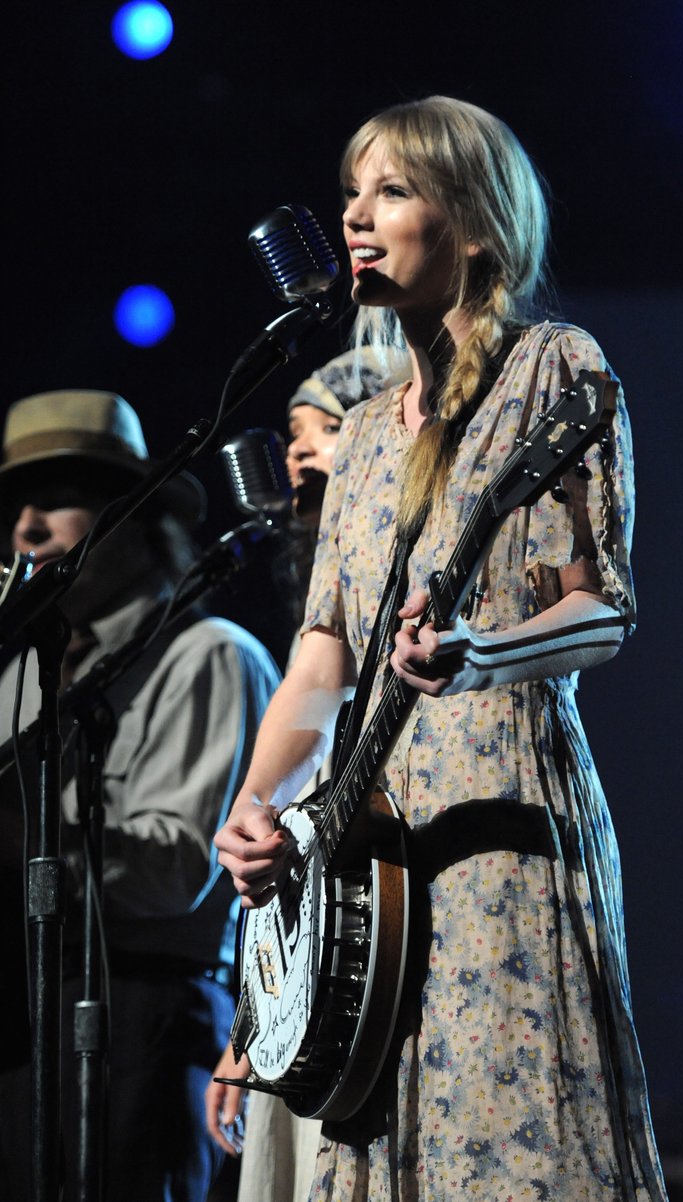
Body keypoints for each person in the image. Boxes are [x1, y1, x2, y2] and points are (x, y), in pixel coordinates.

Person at [213, 96, 667, 1200]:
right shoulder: (365, 432)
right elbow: (319, 657)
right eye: (349, 196)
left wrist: (480, 653)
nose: (357, 220)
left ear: (472, 225)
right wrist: (258, 803)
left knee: (506, 1141)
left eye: (392, 192)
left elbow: (602, 608)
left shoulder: (553, 368)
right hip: (363, 852)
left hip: (498, 816)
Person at [0, 389, 281, 1202]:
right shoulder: (21, 671)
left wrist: (16, 834)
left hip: (142, 1014)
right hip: (23, 1015)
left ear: (133, 517)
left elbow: (175, 874)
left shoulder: (206, 654)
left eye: (59, 499)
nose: (27, 525)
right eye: (17, 502)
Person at [205, 347, 409, 1202]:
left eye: (325, 427)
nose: (298, 451)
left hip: (388, 937)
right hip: (308, 965)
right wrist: (252, 1024)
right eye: (292, 435)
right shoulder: (313, 630)